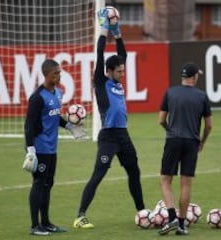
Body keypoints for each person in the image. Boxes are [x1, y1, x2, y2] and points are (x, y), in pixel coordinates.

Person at [73, 8, 145, 229]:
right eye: (119, 71)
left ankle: (142, 211)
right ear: (109, 71)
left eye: (123, 70)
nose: (123, 73)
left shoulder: (117, 81)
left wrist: (118, 33)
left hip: (123, 135)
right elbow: (100, 53)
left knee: (134, 171)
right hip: (108, 137)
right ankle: (80, 216)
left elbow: (121, 54)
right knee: (98, 175)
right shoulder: (101, 82)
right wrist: (105, 29)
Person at [23, 59, 86, 236]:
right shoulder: (38, 97)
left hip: (52, 149)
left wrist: (71, 127)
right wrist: (30, 151)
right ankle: (35, 226)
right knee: (38, 183)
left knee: (48, 184)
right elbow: (29, 125)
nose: (58, 76)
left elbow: (55, 117)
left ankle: (46, 222)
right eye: (54, 74)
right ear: (46, 75)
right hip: (39, 149)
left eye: (59, 73)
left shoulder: (58, 93)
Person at [158, 62, 213, 235]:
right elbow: (209, 125)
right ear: (194, 77)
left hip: (173, 140)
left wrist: (170, 131)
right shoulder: (202, 96)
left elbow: (161, 119)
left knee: (166, 180)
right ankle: (181, 225)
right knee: (186, 182)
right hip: (191, 142)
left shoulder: (170, 92)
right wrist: (202, 141)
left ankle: (172, 217)